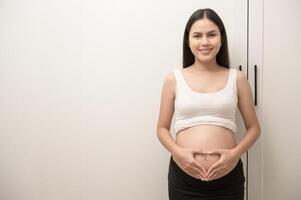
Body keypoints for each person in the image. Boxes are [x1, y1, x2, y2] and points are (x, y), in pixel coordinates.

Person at [156, 8, 261, 200]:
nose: (205, 42)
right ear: (188, 41)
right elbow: (162, 128)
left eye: (211, 35)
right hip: (184, 178)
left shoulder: (237, 78)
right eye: (197, 36)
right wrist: (178, 153)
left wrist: (235, 154)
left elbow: (254, 128)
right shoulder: (174, 79)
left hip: (228, 178)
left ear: (221, 38)